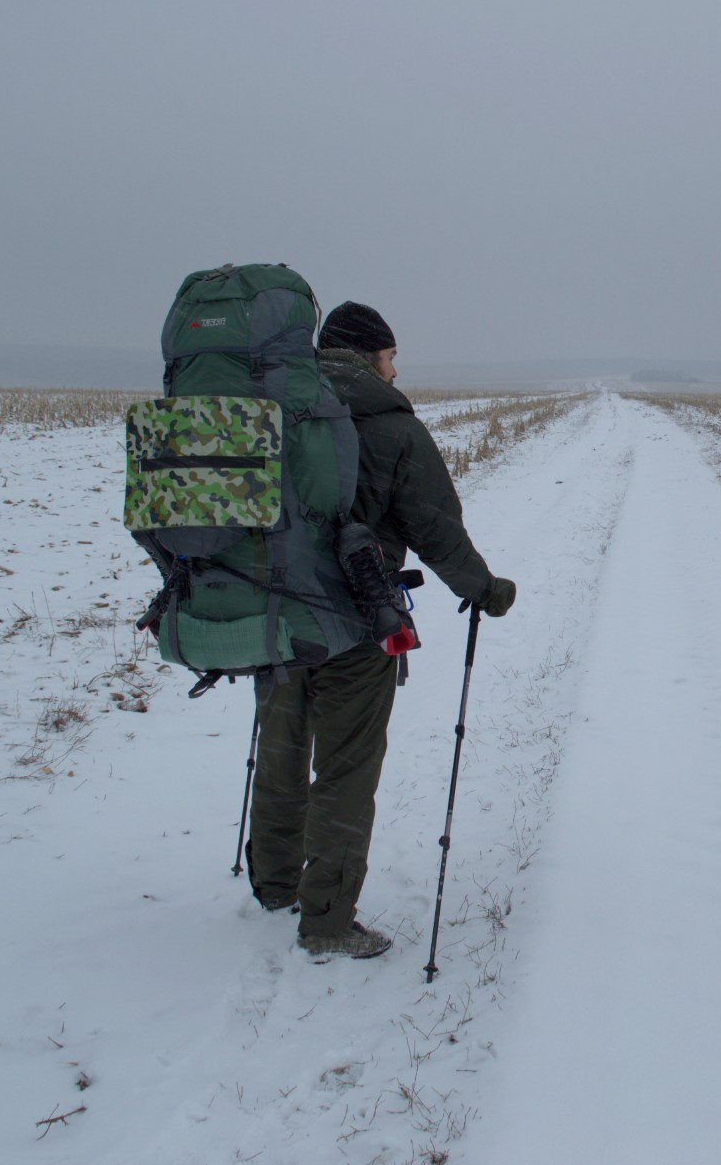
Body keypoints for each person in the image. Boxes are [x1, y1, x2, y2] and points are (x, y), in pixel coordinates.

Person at [246, 301, 516, 958]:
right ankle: (329, 921)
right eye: (392, 357)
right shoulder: (394, 428)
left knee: (280, 749)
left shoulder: (274, 410)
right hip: (358, 623)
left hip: (274, 616)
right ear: (369, 356)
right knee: (344, 768)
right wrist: (484, 589)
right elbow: (436, 528)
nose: (397, 370)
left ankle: (276, 881)